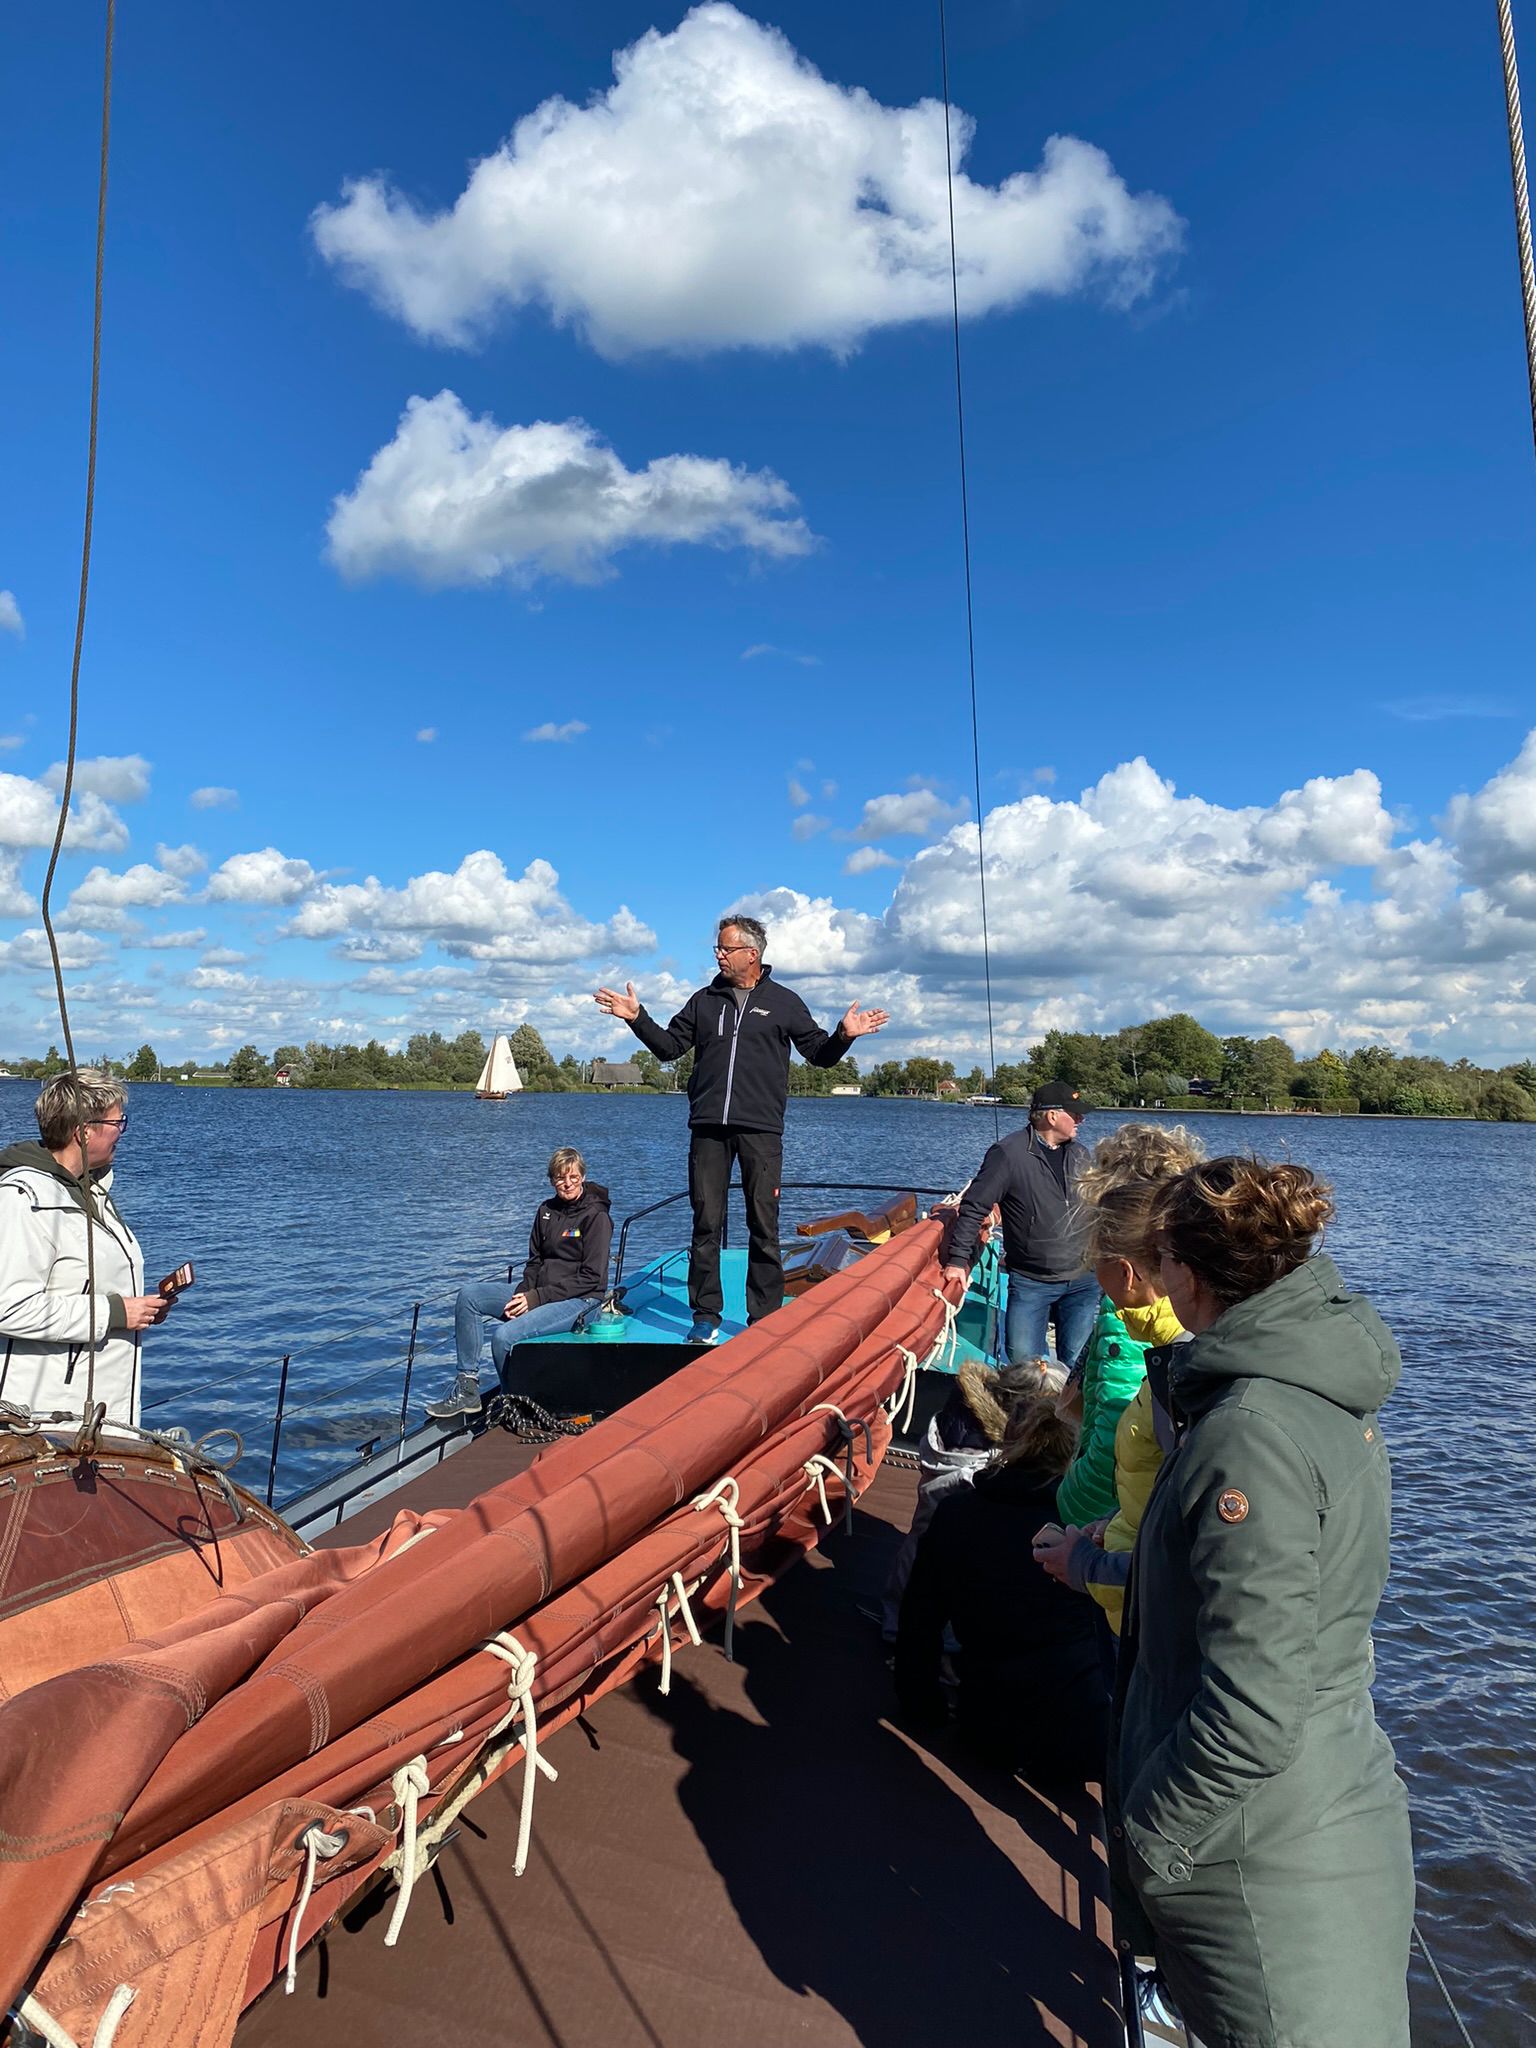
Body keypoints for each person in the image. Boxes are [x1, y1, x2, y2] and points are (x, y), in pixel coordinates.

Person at [1108, 1157, 1414, 2048]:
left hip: (1262, 1865)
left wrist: (1150, 1837)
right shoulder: (1313, 1390)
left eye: (1161, 1257)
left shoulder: (1249, 1435)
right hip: (1321, 1807)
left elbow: (1253, 1709)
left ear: (1185, 1273)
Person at [595, 915, 888, 1341]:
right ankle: (705, 1317)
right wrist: (636, 1017)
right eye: (717, 948)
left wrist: (844, 1036)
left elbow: (819, 1055)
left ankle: (763, 1320)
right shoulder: (704, 1000)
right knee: (705, 1225)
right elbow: (669, 1048)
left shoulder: (785, 1002)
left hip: (761, 1131)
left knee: (763, 1227)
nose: (718, 954)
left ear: (752, 954)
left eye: (726, 948)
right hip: (708, 1130)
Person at [1040, 1124, 1205, 1632]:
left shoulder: (1130, 1313)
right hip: (1123, 1533)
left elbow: (1115, 1425)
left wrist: (1070, 1509)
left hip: (1113, 1544)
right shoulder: (1191, 1302)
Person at [894, 1391, 1107, 1783]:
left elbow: (919, 1621)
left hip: (989, 1727)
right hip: (1087, 1735)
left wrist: (922, 1706)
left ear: (1007, 1439)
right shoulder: (1093, 1531)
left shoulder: (957, 1514)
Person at [0, 1069, 170, 1427]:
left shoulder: (91, 1191)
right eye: (117, 1122)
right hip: (46, 1423)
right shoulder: (23, 1198)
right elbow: (8, 1307)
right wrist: (114, 1313)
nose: (122, 1131)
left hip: (97, 1413)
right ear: (84, 1131)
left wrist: (141, 1309)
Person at [879, 1355, 1065, 1639]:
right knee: (937, 1568)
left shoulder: (963, 1412)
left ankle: (900, 1622)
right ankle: (911, 1632)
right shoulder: (982, 1452)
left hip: (940, 1498)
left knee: (919, 1550)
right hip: (955, 1505)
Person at [425, 1148, 613, 1419]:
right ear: (552, 1180)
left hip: (581, 1300)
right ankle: (468, 1388)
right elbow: (535, 1261)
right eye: (560, 1178)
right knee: (469, 1296)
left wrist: (536, 1299)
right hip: (539, 1291)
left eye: (573, 1177)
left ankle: (513, 1404)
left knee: (503, 1337)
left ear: (583, 1176)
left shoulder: (596, 1217)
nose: (567, 1183)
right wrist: (524, 1294)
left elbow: (592, 1278)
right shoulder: (546, 1211)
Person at [941, 1079, 1095, 1368]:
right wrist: (958, 1260)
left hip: (1083, 1281)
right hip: (1031, 1282)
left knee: (1077, 1365)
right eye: (1074, 1113)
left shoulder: (1081, 1154)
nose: (1081, 1120)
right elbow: (975, 1206)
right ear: (1052, 1116)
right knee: (1024, 1365)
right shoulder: (1008, 1154)